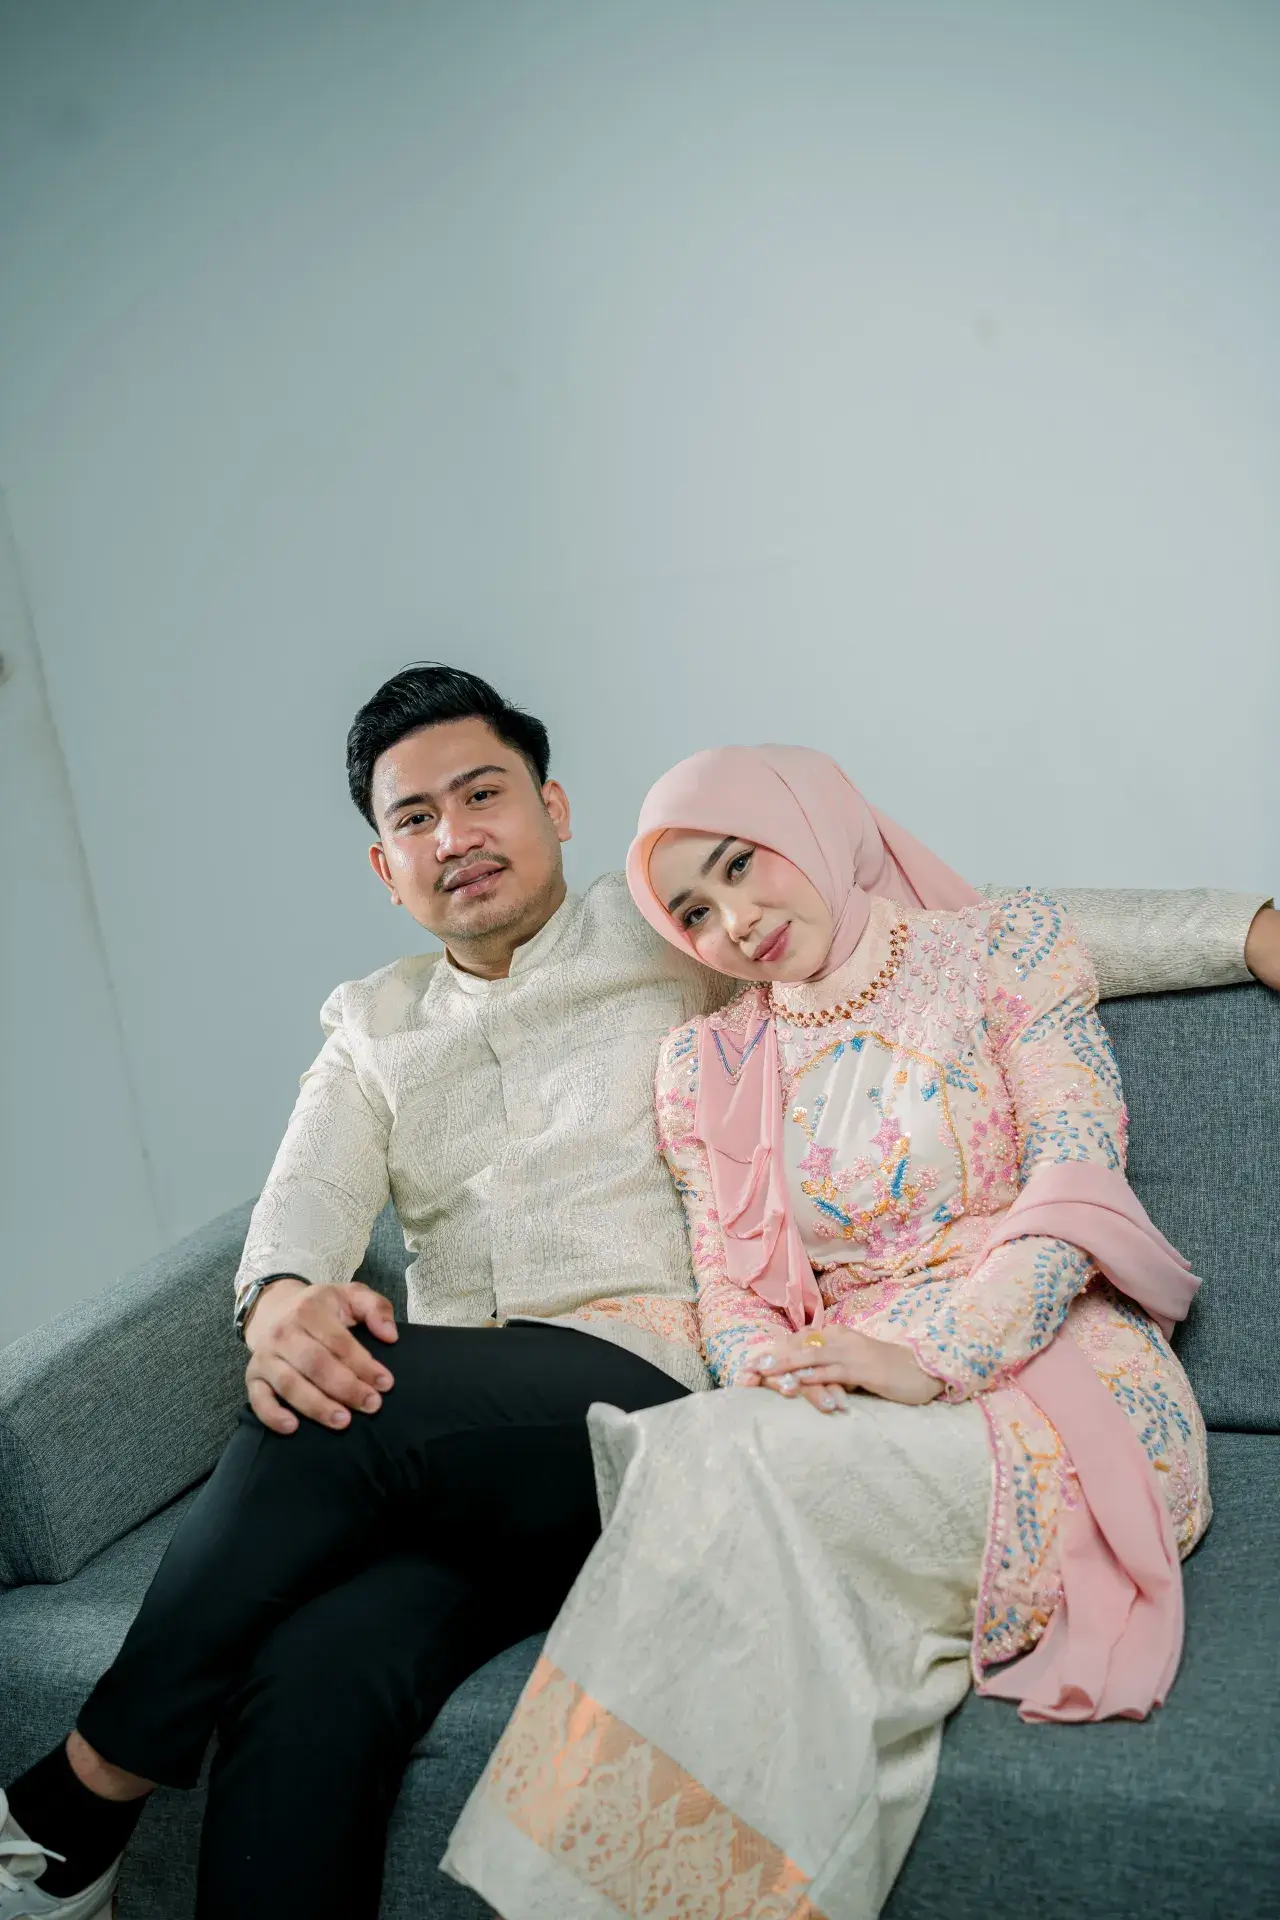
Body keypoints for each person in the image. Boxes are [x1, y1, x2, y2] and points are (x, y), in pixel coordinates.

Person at [0, 669, 1275, 1920]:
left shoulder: (675, 930)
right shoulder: (371, 1028)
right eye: (416, 819)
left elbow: (959, 931)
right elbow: (307, 1194)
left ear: (553, 809)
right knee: (313, 1669)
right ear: (386, 869)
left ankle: (74, 1800)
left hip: (638, 1386)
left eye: (482, 794)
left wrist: (1242, 928)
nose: (456, 836)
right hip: (471, 1460)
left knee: (349, 1412)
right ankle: (88, 1859)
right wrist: (279, 1297)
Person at [443, 745, 1218, 1920]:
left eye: (739, 865)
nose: (734, 921)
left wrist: (930, 1360)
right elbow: (729, 1286)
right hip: (841, 1390)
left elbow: (1075, 1180)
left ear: (809, 824)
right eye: (691, 912)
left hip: (1054, 1381)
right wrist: (772, 1371)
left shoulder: (999, 953)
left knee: (699, 1463)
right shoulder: (702, 1064)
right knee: (713, 1449)